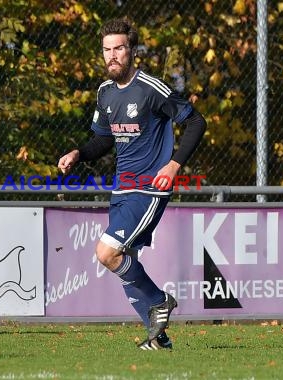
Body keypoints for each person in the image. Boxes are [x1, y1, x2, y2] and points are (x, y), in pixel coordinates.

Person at [57, 18, 207, 350]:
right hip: (122, 189)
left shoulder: (151, 89)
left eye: (119, 48)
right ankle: (159, 339)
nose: (112, 56)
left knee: (107, 253)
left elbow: (196, 121)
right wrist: (79, 153)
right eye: (107, 49)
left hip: (149, 187)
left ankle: (160, 301)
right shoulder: (105, 93)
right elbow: (102, 141)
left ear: (132, 51)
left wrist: (173, 165)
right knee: (126, 264)